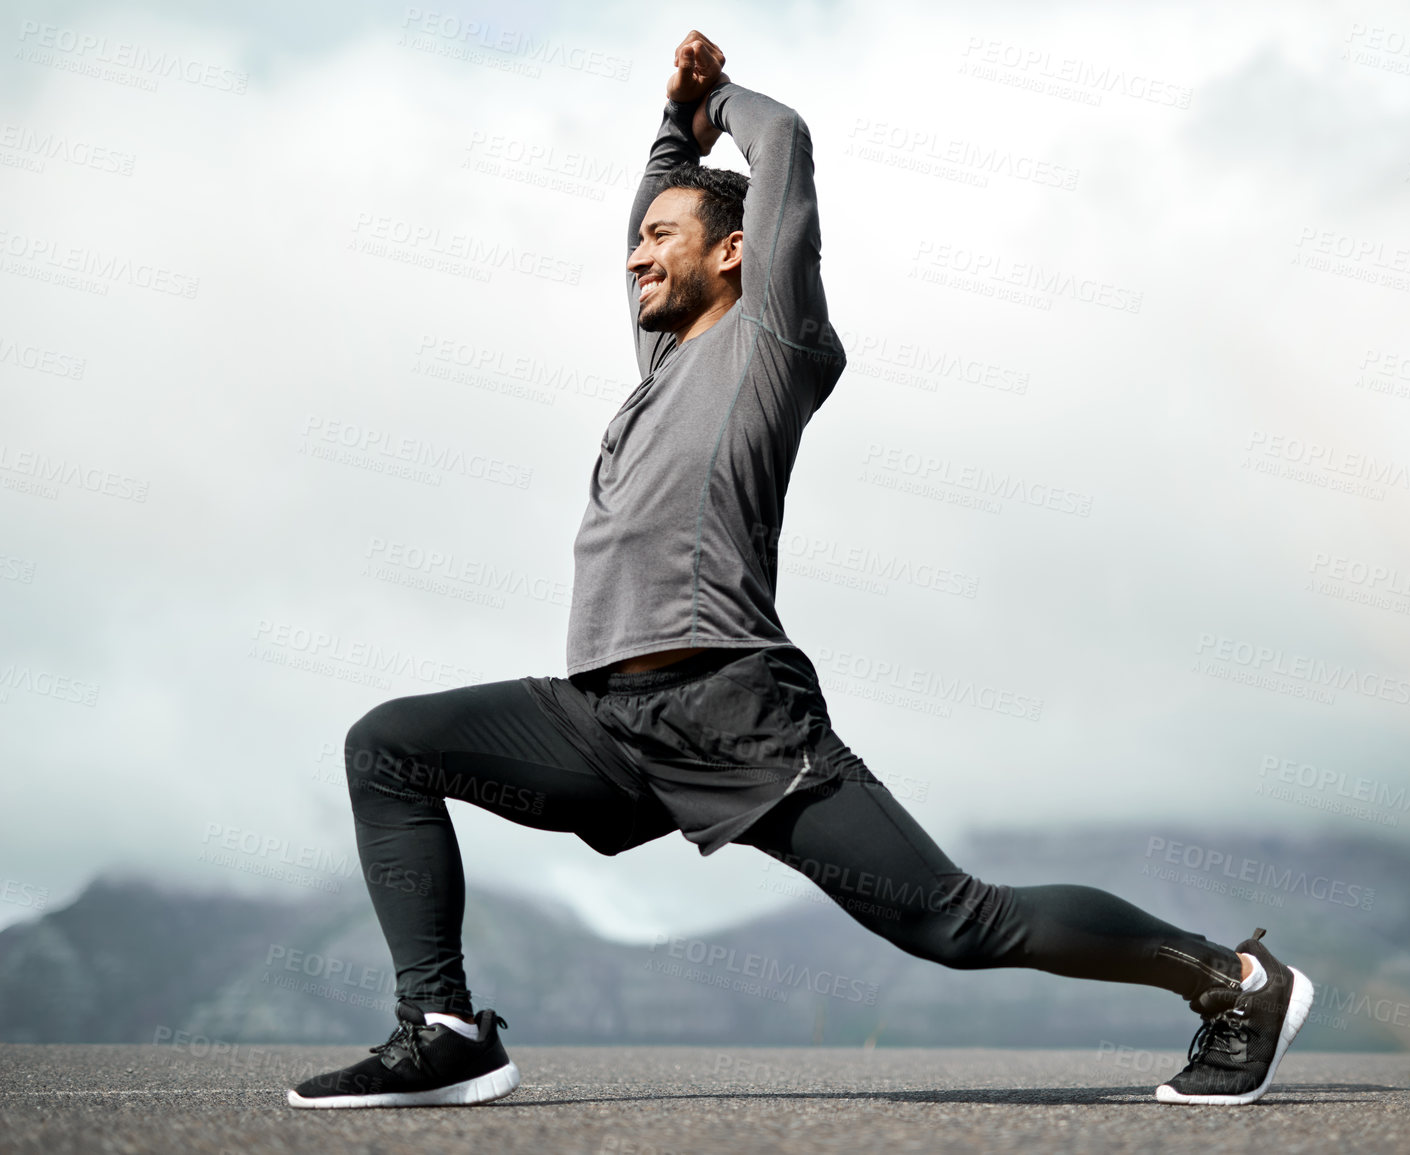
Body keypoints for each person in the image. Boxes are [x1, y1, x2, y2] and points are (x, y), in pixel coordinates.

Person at [287, 29, 1312, 1111]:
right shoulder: (667, 364)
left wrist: (718, 98)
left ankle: (1235, 981)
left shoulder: (770, 342)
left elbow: (786, 145)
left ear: (735, 252)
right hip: (606, 718)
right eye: (635, 239)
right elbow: (659, 203)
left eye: (661, 238)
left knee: (957, 923)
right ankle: (443, 1028)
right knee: (388, 747)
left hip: (736, 714)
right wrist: (669, 129)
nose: (635, 255)